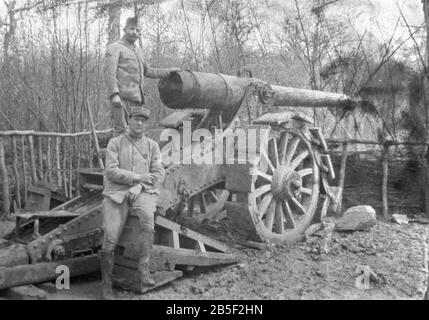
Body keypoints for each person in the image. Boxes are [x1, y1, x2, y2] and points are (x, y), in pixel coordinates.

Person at [100, 106, 165, 300]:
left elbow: (159, 173)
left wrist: (140, 187)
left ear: (147, 124)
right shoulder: (115, 143)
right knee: (109, 238)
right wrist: (137, 178)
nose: (139, 123)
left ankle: (143, 271)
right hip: (116, 193)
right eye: (136, 119)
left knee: (147, 219)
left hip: (143, 192)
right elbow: (111, 171)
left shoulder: (153, 146)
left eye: (143, 120)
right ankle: (106, 285)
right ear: (129, 120)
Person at [104, 16, 179, 135]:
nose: (135, 32)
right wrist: (114, 94)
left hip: (137, 101)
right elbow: (109, 72)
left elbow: (148, 71)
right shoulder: (115, 47)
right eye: (132, 29)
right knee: (121, 133)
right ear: (124, 30)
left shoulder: (138, 51)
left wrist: (169, 71)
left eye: (138, 30)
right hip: (121, 100)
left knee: (136, 134)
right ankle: (118, 154)